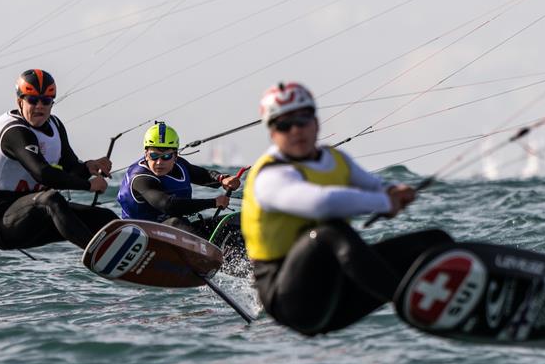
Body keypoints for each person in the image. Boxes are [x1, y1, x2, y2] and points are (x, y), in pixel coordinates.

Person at [241, 82, 453, 336]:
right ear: (272, 134)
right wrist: (385, 203)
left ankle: (462, 308)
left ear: (316, 122)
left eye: (303, 119)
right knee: (330, 231)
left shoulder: (336, 160)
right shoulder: (269, 176)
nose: (296, 129)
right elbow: (322, 204)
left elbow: (376, 186)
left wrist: (394, 191)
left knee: (436, 243)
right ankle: (411, 306)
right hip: (292, 303)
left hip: (338, 294)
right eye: (284, 125)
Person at [0, 69, 117, 250]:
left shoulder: (55, 125)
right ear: (20, 101)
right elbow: (43, 174)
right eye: (33, 100)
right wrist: (89, 186)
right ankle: (98, 256)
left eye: (46, 101)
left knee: (106, 219)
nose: (40, 106)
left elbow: (70, 169)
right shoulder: (14, 132)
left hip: (39, 217)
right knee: (51, 199)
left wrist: (88, 167)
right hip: (3, 224)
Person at [116, 121, 241, 238]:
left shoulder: (180, 165)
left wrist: (223, 179)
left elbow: (202, 175)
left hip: (173, 233)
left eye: (166, 156)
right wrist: (213, 202)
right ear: (146, 154)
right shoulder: (140, 178)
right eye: (154, 156)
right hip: (141, 237)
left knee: (235, 223)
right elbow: (168, 205)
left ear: (175, 156)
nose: (159, 162)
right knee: (177, 223)